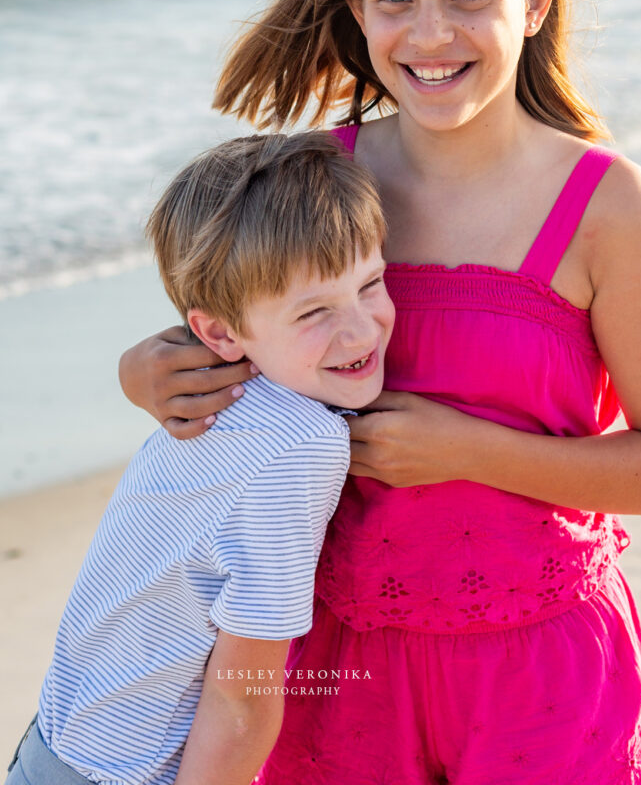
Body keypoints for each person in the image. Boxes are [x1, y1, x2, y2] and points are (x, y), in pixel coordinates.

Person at [119, 0, 641, 785]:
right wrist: (144, 372)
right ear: (357, 9)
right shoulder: (315, 177)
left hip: (540, 666)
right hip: (330, 661)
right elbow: (230, 332)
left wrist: (469, 451)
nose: (430, 33)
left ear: (536, 1)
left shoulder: (608, 207)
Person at [6, 132, 394, 785]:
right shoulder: (301, 445)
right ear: (218, 331)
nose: (360, 328)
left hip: (53, 742)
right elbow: (242, 691)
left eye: (372, 283)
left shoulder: (212, 397)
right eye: (315, 312)